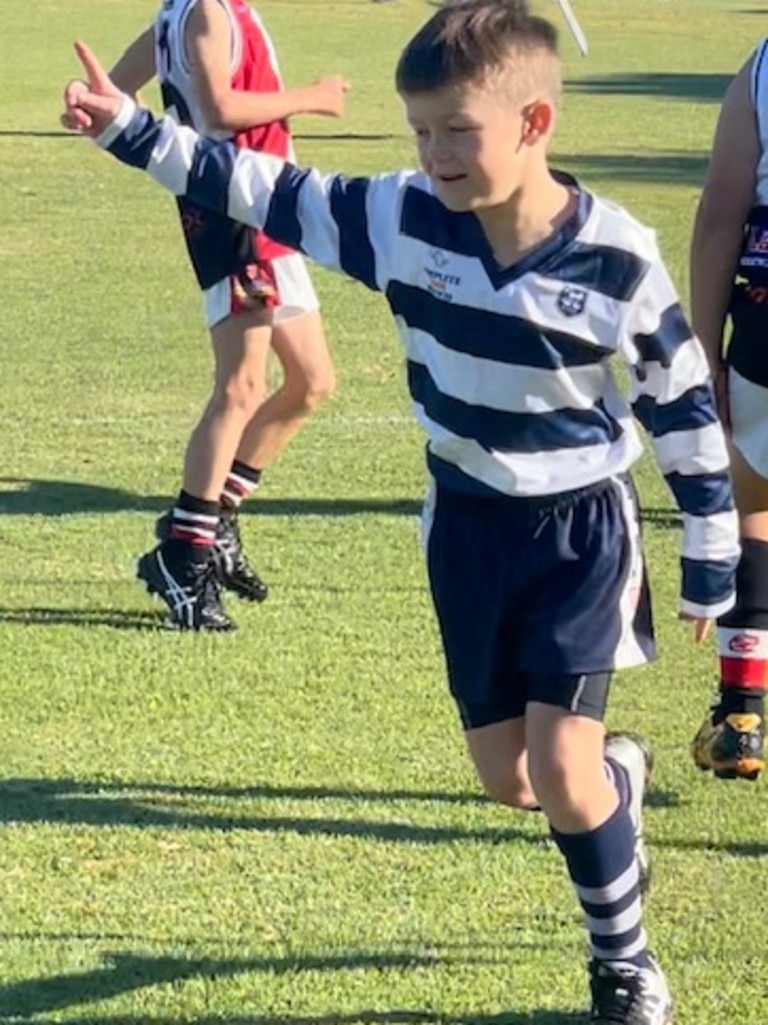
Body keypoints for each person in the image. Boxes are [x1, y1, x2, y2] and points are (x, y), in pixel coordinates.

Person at [62, 1, 740, 1020]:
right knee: (513, 779)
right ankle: (618, 784)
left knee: (558, 765)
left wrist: (711, 553)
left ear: (534, 123)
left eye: (458, 131)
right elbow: (261, 184)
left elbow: (685, 410)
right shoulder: (402, 216)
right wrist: (131, 127)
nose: (435, 155)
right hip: (464, 527)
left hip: (578, 533)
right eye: (420, 131)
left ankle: (626, 962)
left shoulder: (616, 260)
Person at [102, 1, 348, 631]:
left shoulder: (189, 10)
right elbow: (219, 110)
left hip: (265, 209)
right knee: (240, 387)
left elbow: (113, 89)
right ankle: (183, 556)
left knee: (311, 380)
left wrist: (92, 99)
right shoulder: (206, 11)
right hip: (232, 214)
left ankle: (216, 522)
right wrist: (312, 97)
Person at [688, 41, 768, 781]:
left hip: (766, 332)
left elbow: (722, 217)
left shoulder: (763, 66)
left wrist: (704, 350)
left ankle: (741, 717)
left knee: (756, 508)